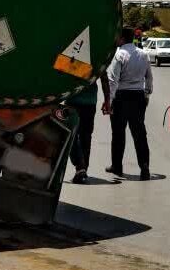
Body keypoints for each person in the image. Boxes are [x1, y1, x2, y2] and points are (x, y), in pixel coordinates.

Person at [106, 25, 153, 180]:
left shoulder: (119, 55)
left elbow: (113, 80)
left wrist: (109, 100)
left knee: (118, 133)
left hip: (121, 96)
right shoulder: (143, 54)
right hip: (138, 96)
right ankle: (144, 166)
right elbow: (149, 77)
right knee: (139, 133)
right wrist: (146, 93)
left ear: (122, 38)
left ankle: (117, 166)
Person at [65, 73, 110, 184]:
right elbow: (104, 77)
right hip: (89, 102)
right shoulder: (96, 56)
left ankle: (80, 166)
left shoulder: (71, 55)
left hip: (73, 100)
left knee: (71, 134)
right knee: (86, 135)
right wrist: (107, 99)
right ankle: (83, 167)